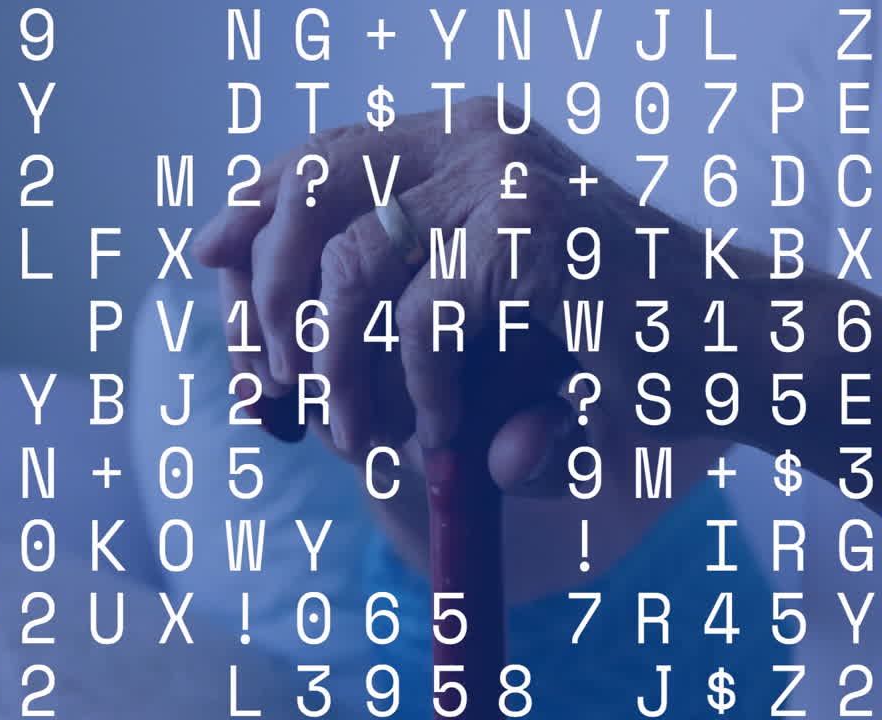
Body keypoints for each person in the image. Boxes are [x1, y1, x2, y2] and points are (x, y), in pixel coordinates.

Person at [182, 2, 874, 715]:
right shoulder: (824, 53)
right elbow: (590, 514)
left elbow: (735, 331)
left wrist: (725, 320)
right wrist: (433, 435)